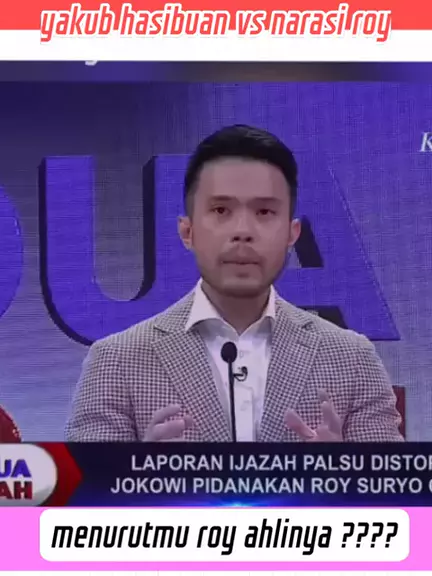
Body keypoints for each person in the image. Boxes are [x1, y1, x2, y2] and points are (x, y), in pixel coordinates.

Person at [65, 124, 403, 443]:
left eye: (264, 212)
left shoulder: (352, 359)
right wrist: (135, 472)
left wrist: (345, 471)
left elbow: (395, 485)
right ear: (187, 231)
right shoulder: (116, 362)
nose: (242, 231)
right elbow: (82, 485)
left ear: (292, 233)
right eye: (221, 210)